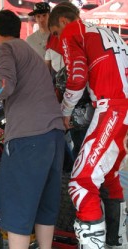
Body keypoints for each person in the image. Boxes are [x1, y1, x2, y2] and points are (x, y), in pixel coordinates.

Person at [0, 9, 65, 249]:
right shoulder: (27, 50)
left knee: (17, 204)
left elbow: (4, 85)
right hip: (54, 134)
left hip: (29, 137)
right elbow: (13, 81)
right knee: (44, 203)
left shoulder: (3, 49)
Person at [48, 3, 128, 248]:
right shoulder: (108, 32)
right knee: (110, 177)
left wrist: (64, 113)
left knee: (81, 182)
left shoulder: (73, 30)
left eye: (54, 33)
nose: (56, 40)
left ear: (62, 21)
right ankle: (117, 242)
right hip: (120, 106)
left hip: (112, 106)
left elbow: (77, 76)